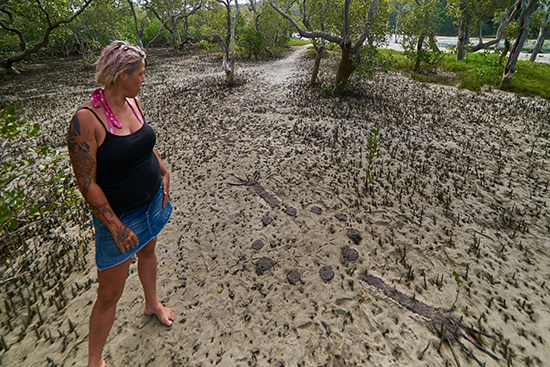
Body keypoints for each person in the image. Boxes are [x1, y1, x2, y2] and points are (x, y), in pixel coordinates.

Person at [67, 40, 174, 367]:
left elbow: (143, 143)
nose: (144, 79)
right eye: (140, 73)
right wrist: (115, 226)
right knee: (109, 295)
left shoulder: (134, 102)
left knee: (148, 252)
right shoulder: (86, 121)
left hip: (152, 201)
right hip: (119, 217)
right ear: (121, 75)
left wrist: (163, 169)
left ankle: (151, 303)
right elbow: (86, 182)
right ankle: (95, 360)